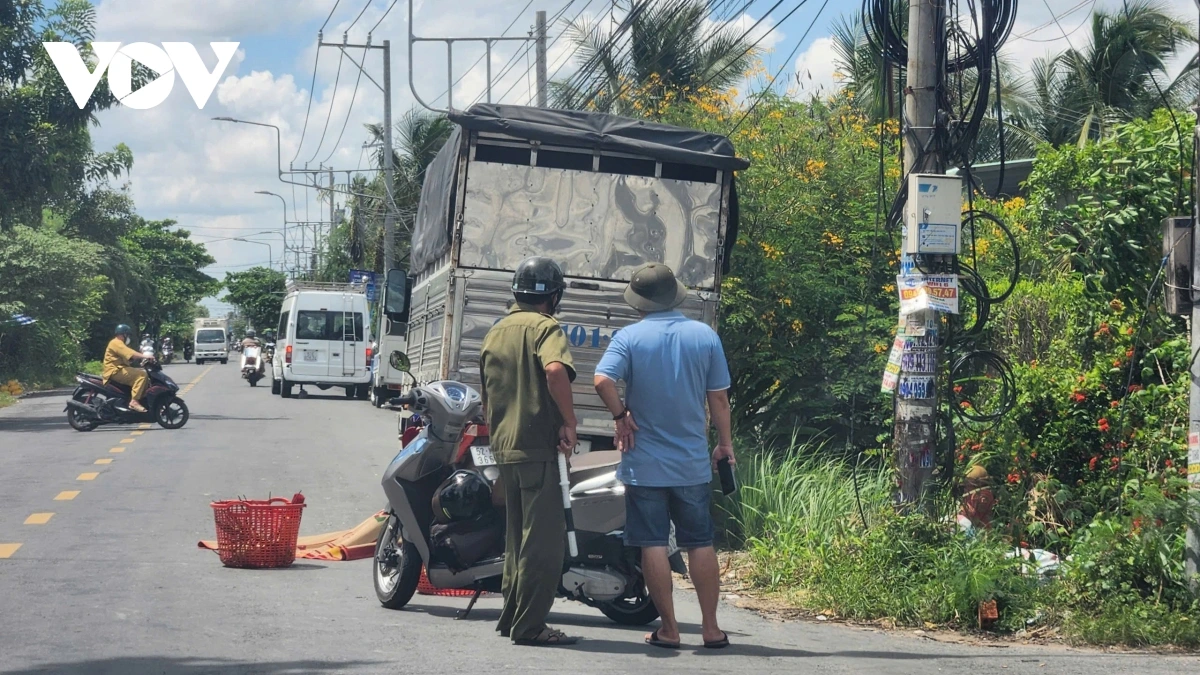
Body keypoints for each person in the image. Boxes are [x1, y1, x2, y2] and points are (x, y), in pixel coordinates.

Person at [594, 262, 734, 650]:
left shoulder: (629, 337)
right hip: (691, 464)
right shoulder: (704, 336)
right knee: (700, 543)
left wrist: (621, 416)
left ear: (638, 302)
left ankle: (669, 629)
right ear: (675, 295)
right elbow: (719, 399)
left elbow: (602, 379)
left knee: (652, 543)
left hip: (644, 464)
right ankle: (711, 629)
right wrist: (724, 444)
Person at [479, 256, 579, 647]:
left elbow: (487, 394)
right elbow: (554, 370)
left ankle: (512, 617)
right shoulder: (545, 327)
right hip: (537, 448)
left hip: (505, 446)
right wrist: (569, 421)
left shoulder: (496, 331)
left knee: (516, 539)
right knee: (543, 544)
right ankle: (531, 625)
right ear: (552, 296)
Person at [103, 324, 154, 413]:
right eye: (128, 335)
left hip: (119, 370)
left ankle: (142, 401)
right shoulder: (116, 343)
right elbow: (131, 353)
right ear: (123, 334)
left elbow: (129, 358)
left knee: (142, 374)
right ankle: (134, 401)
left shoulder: (119, 344)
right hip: (115, 371)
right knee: (141, 375)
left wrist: (142, 360)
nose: (128, 337)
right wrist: (145, 356)